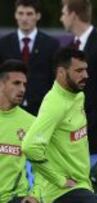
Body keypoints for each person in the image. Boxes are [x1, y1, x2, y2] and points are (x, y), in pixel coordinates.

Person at [22, 48, 97, 203]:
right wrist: (59, 180)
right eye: (79, 71)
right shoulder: (54, 104)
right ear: (61, 72)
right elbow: (30, 147)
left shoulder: (78, 95)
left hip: (82, 185)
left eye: (86, 70)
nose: (85, 76)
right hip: (62, 192)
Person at [60, 0, 97, 154]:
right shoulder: (68, 49)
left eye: (64, 13)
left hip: (93, 131)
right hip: (68, 129)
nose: (61, 18)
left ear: (73, 15)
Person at [0, 0, 60, 116]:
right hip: (10, 110)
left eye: (29, 14)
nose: (24, 18)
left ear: (38, 16)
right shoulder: (3, 44)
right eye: (21, 13)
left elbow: (55, 80)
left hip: (41, 111)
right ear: (15, 15)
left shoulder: (51, 45)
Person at [0, 60, 38, 203]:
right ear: (1, 84)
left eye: (24, 84)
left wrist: (35, 194)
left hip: (15, 198)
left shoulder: (32, 123)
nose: (22, 89)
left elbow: (43, 166)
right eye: (16, 83)